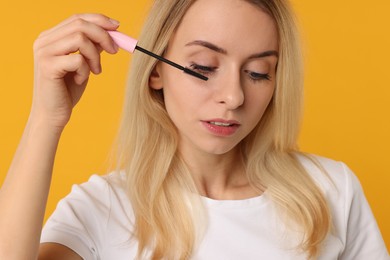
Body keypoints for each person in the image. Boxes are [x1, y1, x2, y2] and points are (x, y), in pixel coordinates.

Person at [0, 0, 388, 259]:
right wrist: (45, 121)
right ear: (155, 70)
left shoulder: (331, 190)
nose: (233, 96)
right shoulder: (102, 209)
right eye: (203, 67)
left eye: (258, 72)